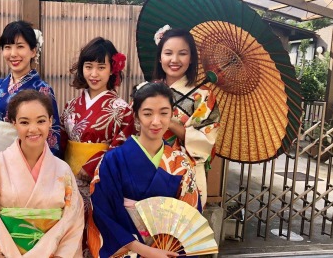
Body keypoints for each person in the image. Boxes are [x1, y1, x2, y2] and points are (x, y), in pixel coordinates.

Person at [0, 90, 85, 258]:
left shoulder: (63, 170)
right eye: (24, 122)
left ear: (50, 121)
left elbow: (73, 222)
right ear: (13, 123)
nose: (33, 129)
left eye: (41, 121)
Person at [90, 82, 201, 258]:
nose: (156, 121)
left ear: (172, 115)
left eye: (164, 113)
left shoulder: (181, 163)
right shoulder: (113, 160)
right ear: (136, 118)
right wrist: (144, 250)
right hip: (127, 249)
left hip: (168, 250)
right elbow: (103, 213)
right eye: (148, 114)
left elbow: (190, 218)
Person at [60, 37, 134, 257]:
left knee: (97, 236)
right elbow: (61, 142)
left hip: (100, 185)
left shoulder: (121, 110)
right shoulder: (71, 106)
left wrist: (91, 168)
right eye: (88, 66)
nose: (94, 73)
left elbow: (120, 149)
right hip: (69, 183)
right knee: (70, 237)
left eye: (101, 67)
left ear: (113, 70)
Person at [135, 26, 220, 207]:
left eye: (182, 53)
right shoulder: (146, 90)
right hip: (146, 168)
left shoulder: (203, 95)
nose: (174, 60)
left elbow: (206, 142)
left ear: (191, 59)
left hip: (184, 173)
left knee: (179, 230)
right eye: (168, 53)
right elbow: (132, 130)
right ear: (160, 57)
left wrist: (171, 123)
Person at [0, 21, 61, 163]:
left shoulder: (43, 90)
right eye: (7, 47)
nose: (13, 54)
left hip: (27, 163)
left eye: (20, 47)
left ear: (33, 51)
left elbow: (51, 132)